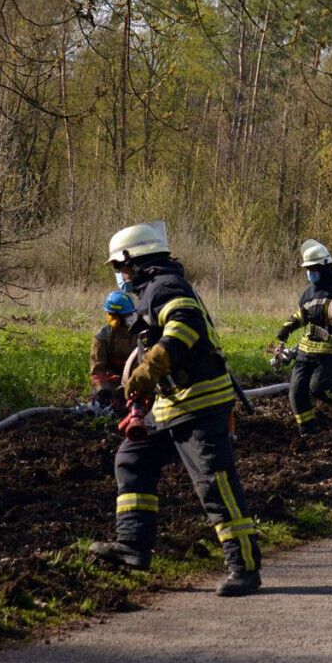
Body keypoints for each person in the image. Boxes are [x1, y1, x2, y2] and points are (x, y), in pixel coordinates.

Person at [89, 221, 261, 597]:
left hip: (200, 403)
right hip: (171, 404)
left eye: (120, 267)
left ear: (134, 262)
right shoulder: (153, 288)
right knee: (133, 460)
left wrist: (151, 367)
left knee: (214, 483)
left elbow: (185, 326)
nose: (119, 276)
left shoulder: (165, 286)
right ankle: (133, 545)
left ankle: (244, 567)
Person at [275, 239, 332, 436]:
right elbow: (302, 316)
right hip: (306, 349)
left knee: (319, 388)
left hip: (330, 350)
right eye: (308, 269)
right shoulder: (308, 294)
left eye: (313, 268)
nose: (310, 273)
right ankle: (308, 431)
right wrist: (285, 330)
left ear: (325, 267)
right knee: (296, 391)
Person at [89, 291, 137, 415]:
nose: (131, 317)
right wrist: (103, 391)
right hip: (113, 384)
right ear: (115, 317)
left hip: (136, 383)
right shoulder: (103, 337)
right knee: (100, 405)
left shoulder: (140, 334)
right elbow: (97, 369)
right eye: (127, 315)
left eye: (131, 314)